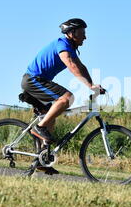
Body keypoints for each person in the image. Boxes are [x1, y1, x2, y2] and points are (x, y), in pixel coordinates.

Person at [21, 18, 102, 173]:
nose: (85, 37)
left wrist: (92, 85)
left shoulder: (70, 47)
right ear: (71, 33)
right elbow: (71, 65)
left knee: (50, 117)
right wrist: (89, 85)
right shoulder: (62, 45)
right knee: (67, 98)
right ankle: (39, 128)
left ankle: (41, 160)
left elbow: (81, 67)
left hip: (39, 81)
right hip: (33, 80)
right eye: (82, 33)